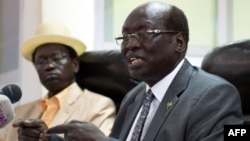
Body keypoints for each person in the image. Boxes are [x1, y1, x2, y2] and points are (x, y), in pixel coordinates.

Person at [22, 1, 244, 141]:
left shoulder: (215, 94)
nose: (130, 45)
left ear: (179, 42)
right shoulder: (134, 97)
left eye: (144, 33)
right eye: (125, 37)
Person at [0, 22, 116, 141]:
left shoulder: (99, 105)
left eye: (57, 58)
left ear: (75, 64)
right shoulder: (19, 112)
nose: (49, 66)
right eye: (41, 61)